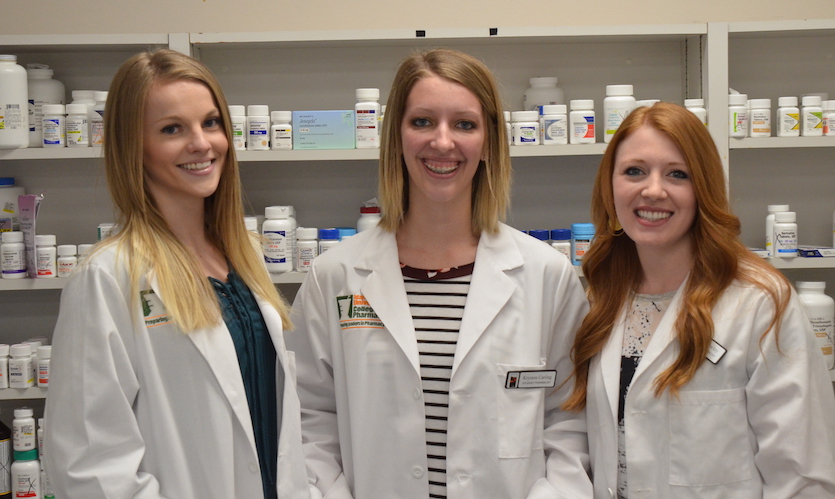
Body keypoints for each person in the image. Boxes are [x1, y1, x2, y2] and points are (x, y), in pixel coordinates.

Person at [286, 48, 592, 498]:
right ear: (397, 137)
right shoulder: (336, 276)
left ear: (488, 142)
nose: (443, 142)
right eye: (423, 121)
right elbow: (309, 421)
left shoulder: (546, 275)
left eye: (465, 124)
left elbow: (570, 422)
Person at [44, 49, 314, 498]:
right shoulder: (109, 276)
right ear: (135, 148)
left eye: (210, 122)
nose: (202, 143)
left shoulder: (242, 259)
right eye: (172, 129)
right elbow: (89, 464)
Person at [564, 102, 835, 498]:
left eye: (677, 174)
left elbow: (801, 475)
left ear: (703, 188)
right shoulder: (600, 297)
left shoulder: (760, 303)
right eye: (634, 171)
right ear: (610, 186)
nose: (653, 190)